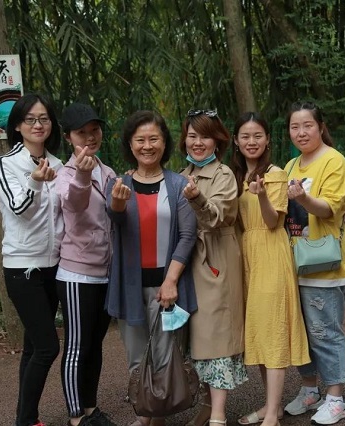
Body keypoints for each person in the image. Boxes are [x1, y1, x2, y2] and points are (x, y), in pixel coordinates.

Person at [105, 110, 198, 426]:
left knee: (164, 354)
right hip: (129, 287)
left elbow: (188, 236)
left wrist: (171, 281)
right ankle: (145, 413)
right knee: (136, 355)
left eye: (153, 139)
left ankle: (157, 417)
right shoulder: (118, 184)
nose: (147, 146)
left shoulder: (178, 184)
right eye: (140, 140)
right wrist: (118, 203)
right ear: (130, 145)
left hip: (166, 287)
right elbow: (115, 219)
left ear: (165, 143)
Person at [229, 112, 311, 426]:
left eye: (258, 136)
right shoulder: (234, 176)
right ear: (236, 141)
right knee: (261, 332)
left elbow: (273, 221)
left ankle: (273, 415)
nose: (252, 142)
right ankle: (270, 406)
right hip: (247, 255)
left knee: (274, 330)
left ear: (267, 140)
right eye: (245, 136)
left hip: (271, 254)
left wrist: (262, 194)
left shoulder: (275, 174)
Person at [0, 93, 64, 426]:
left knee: (34, 347)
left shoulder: (58, 165)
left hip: (54, 266)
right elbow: (19, 208)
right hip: (22, 268)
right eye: (30, 119)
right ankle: (26, 420)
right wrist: (35, 180)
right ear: (18, 125)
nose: (38, 124)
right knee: (48, 348)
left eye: (44, 118)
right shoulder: (3, 164)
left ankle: (25, 417)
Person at [282, 101, 345, 425]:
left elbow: (331, 208)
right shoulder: (290, 165)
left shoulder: (333, 160)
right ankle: (310, 389)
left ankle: (336, 398)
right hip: (293, 262)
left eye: (307, 125)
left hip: (324, 263)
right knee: (301, 333)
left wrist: (303, 198)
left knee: (325, 331)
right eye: (295, 127)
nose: (301, 132)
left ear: (320, 127)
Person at [180, 109, 247, 426]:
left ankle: (218, 414)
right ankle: (207, 406)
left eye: (204, 136)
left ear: (217, 141)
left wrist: (197, 198)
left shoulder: (223, 175)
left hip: (215, 260)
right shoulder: (182, 172)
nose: (197, 142)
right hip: (188, 262)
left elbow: (219, 216)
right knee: (197, 339)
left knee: (217, 337)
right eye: (192, 136)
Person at [55, 103, 117, 426]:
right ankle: (76, 415)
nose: (90, 137)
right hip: (76, 274)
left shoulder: (108, 172)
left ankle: (91, 408)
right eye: (82, 132)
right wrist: (81, 173)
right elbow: (75, 204)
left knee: (94, 344)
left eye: (95, 130)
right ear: (68, 137)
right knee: (77, 346)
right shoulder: (65, 175)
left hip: (105, 274)